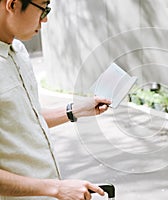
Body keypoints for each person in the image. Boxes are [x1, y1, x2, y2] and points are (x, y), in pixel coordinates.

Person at [0, 0, 112, 199]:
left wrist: (75, 110)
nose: (45, 18)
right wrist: (56, 189)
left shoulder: (18, 51)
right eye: (43, 8)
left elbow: (22, 119)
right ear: (13, 4)